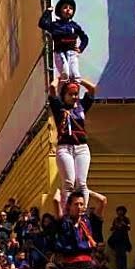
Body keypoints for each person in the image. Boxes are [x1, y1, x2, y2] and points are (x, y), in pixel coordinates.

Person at [50, 78, 99, 210]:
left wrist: (78, 79)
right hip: (64, 148)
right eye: (70, 94)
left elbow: (93, 89)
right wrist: (60, 78)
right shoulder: (58, 107)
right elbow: (52, 88)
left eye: (76, 94)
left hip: (81, 148)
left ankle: (82, 210)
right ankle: (68, 211)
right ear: (64, 95)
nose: (74, 97)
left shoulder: (82, 106)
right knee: (69, 183)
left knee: (82, 183)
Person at [38, 0, 89, 80]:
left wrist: (81, 48)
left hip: (72, 53)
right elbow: (42, 23)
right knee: (65, 73)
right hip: (59, 52)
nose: (68, 10)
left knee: (75, 75)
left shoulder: (75, 26)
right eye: (65, 7)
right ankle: (61, 90)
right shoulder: (55, 25)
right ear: (60, 11)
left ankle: (74, 92)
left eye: (71, 8)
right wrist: (48, 11)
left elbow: (85, 38)